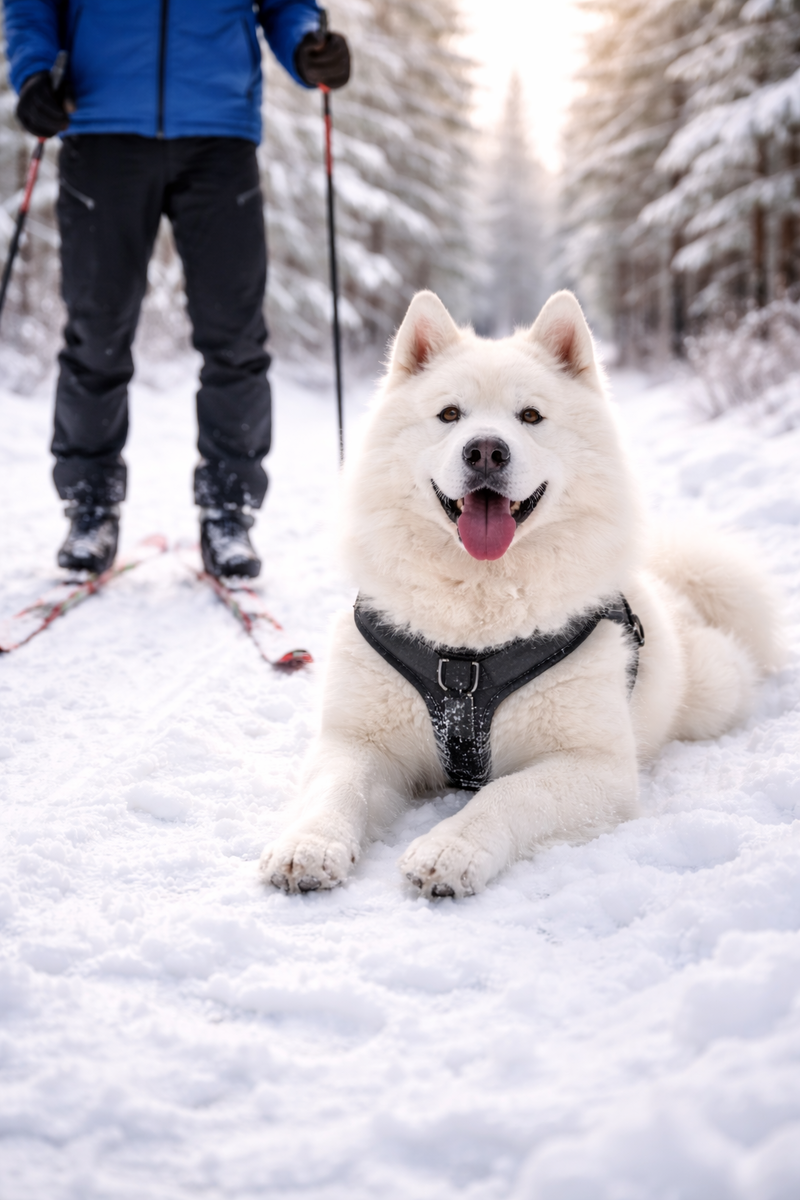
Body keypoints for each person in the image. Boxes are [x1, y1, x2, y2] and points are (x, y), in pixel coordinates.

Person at [3, 0, 350, 578]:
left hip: (219, 136)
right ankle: (90, 505)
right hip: (100, 124)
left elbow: (288, 6)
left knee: (235, 336)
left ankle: (228, 509)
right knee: (96, 332)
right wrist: (34, 72)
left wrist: (307, 45)